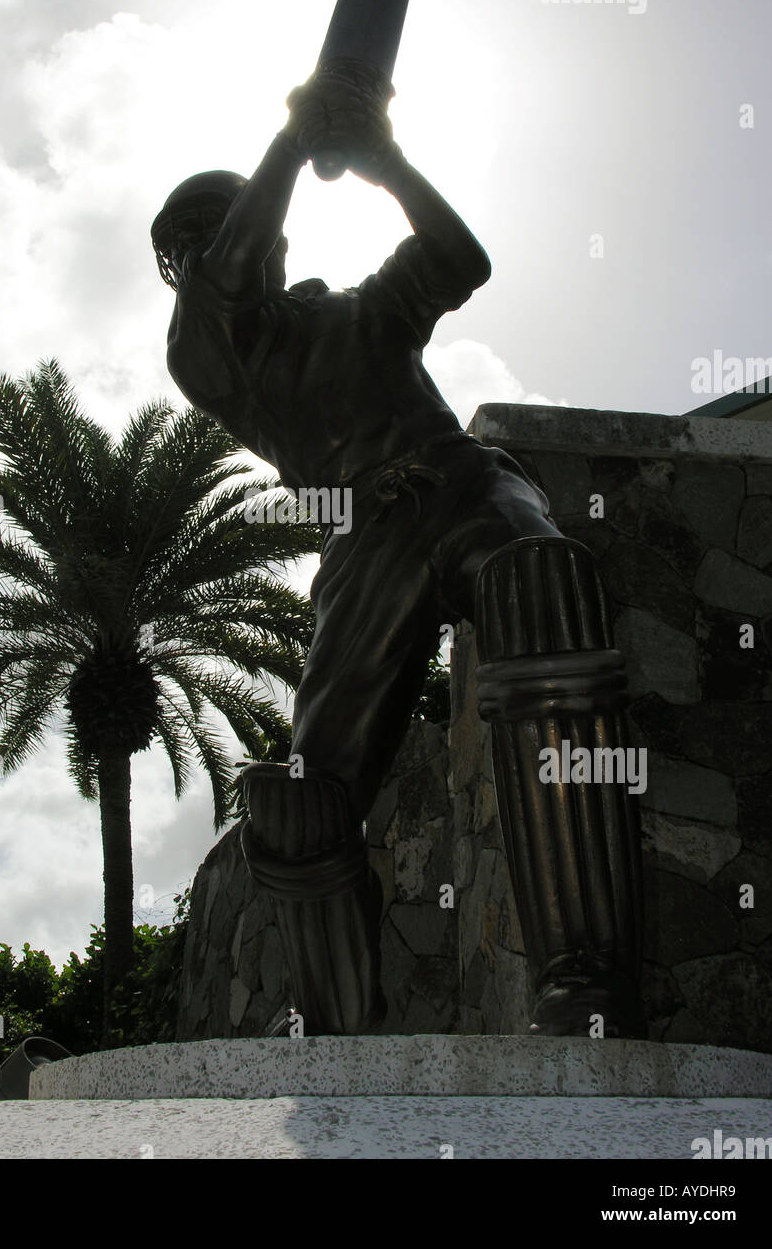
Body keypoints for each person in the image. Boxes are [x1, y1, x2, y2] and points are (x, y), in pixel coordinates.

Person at [152, 71, 645, 1039]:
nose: (217, 245)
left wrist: (386, 162)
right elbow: (232, 266)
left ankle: (585, 981)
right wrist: (295, 140)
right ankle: (340, 1039)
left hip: (461, 480)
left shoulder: (353, 311)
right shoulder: (205, 351)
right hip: (364, 534)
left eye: (225, 223)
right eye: (196, 240)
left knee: (540, 584)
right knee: (299, 800)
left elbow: (458, 257)